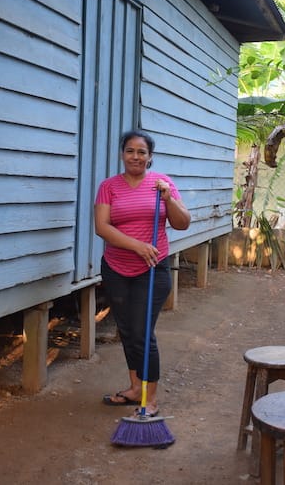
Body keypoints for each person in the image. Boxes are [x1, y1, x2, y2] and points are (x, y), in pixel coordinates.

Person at [94, 129, 191, 417]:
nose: (135, 156)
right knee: (126, 331)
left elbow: (183, 222)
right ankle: (135, 388)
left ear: (150, 157)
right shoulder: (108, 186)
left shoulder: (163, 184)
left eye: (141, 152)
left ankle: (150, 399)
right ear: (122, 154)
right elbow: (102, 227)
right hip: (116, 268)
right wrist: (137, 245)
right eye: (130, 151)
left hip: (153, 268)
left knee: (142, 332)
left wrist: (168, 199)